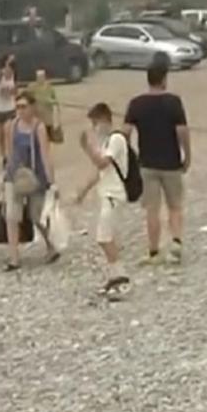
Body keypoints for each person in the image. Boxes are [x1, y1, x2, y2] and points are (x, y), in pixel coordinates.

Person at [122, 61, 190, 266]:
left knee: (152, 209)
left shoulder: (136, 104)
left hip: (147, 164)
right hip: (171, 163)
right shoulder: (173, 102)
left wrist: (129, 156)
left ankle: (153, 251)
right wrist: (187, 155)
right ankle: (176, 242)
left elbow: (125, 133)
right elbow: (182, 132)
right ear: (163, 80)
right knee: (175, 205)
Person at [76, 103, 131, 297]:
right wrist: (83, 192)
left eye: (95, 123)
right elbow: (100, 172)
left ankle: (121, 277)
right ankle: (115, 277)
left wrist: (87, 147)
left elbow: (101, 163)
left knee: (104, 237)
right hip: (107, 194)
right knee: (108, 237)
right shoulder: (107, 143)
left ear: (105, 120)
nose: (94, 128)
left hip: (114, 195)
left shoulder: (116, 140)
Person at [3, 91, 60, 271]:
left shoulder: (39, 128)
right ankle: (14, 258)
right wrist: (6, 173)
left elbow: (45, 155)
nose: (20, 110)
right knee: (12, 216)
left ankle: (51, 245)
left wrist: (51, 182)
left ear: (32, 107)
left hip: (36, 176)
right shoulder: (11, 126)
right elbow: (9, 152)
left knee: (37, 216)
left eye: (24, 106)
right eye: (18, 107)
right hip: (15, 175)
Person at [0, 54, 18, 165]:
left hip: (10, 108)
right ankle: (3, 156)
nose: (9, 67)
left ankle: (11, 156)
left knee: (8, 132)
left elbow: (15, 91)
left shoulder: (15, 75)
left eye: (12, 65)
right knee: (0, 135)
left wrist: (12, 93)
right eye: (8, 64)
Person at [27, 68, 62, 143]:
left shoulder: (49, 86)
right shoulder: (32, 87)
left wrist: (53, 102)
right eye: (39, 77)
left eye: (42, 77)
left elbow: (54, 98)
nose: (40, 79)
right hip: (37, 114)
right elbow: (27, 97)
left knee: (47, 135)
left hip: (47, 116)